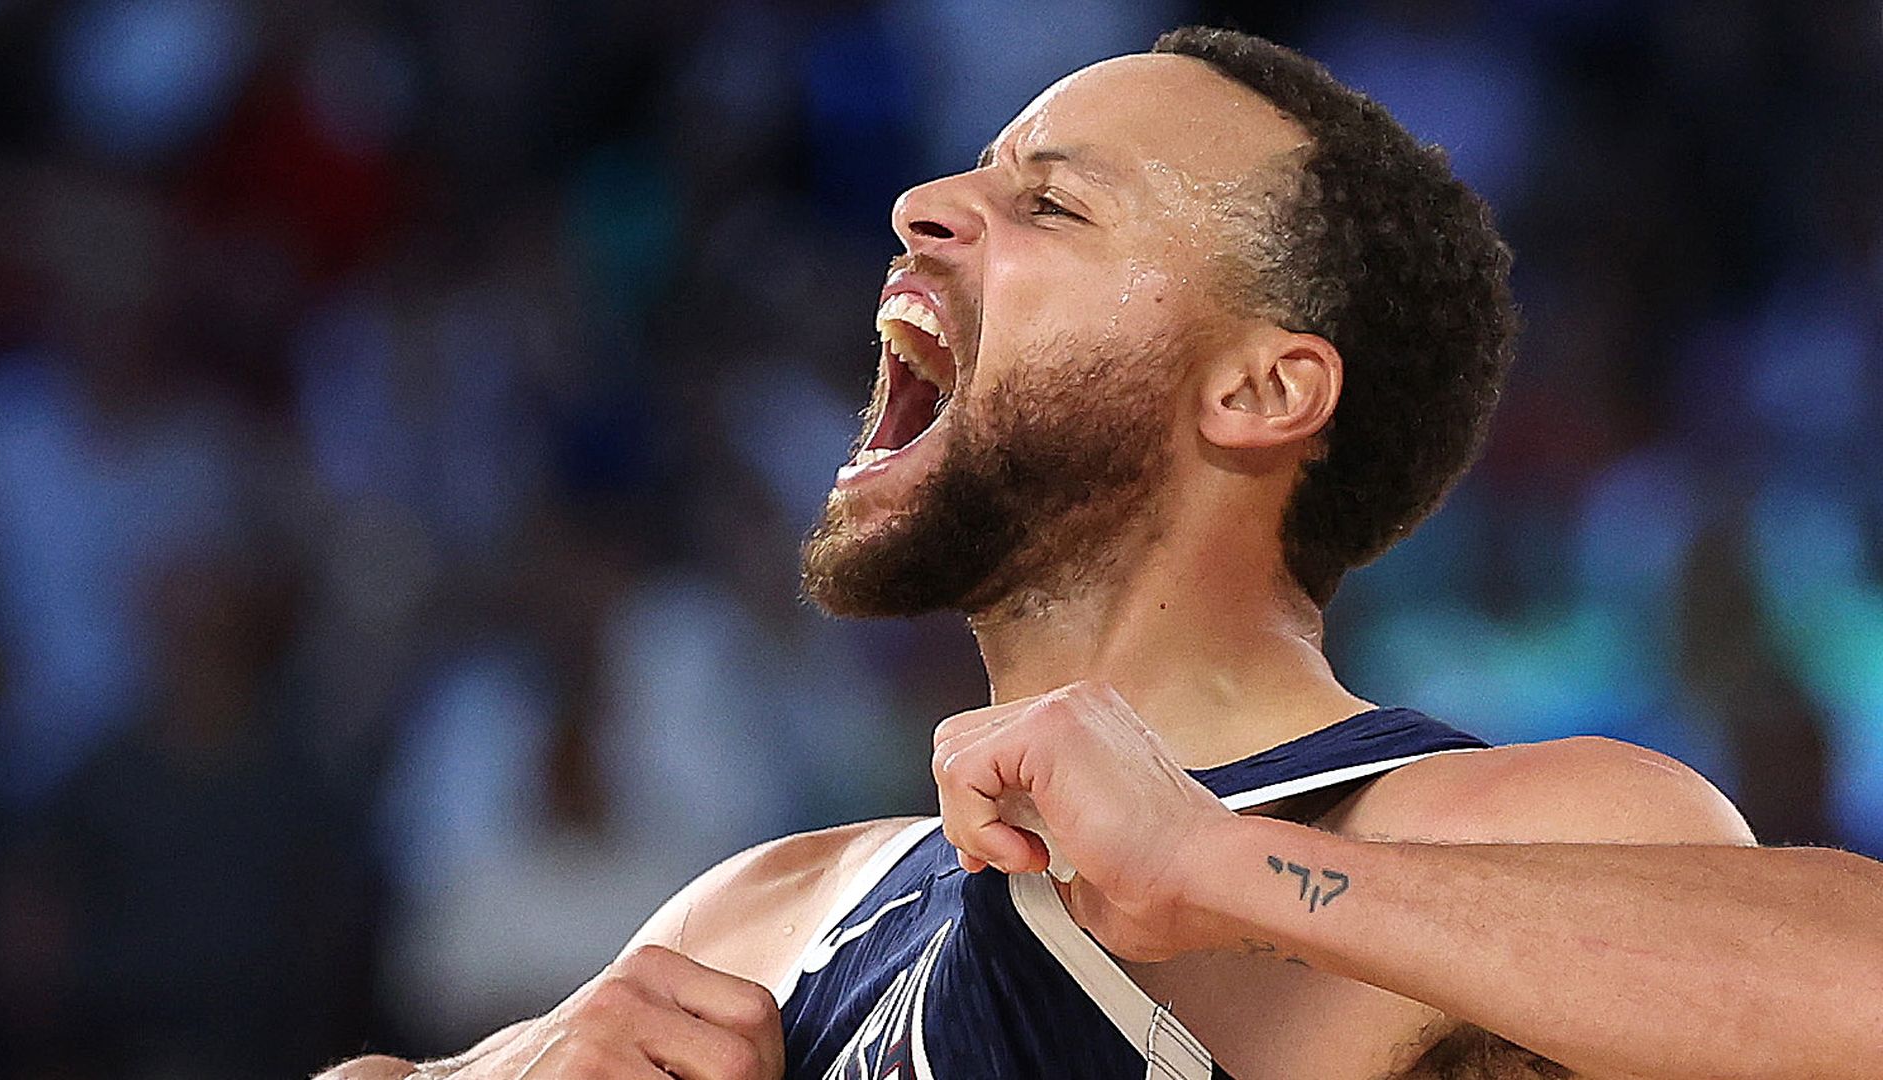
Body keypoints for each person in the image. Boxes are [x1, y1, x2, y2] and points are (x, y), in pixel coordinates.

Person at [320, 27, 1883, 1080]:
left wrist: (1220, 869)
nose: (921, 207)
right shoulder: (768, 908)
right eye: (967, 179)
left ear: (1263, 389)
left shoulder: (1488, 829)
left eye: (1051, 206)